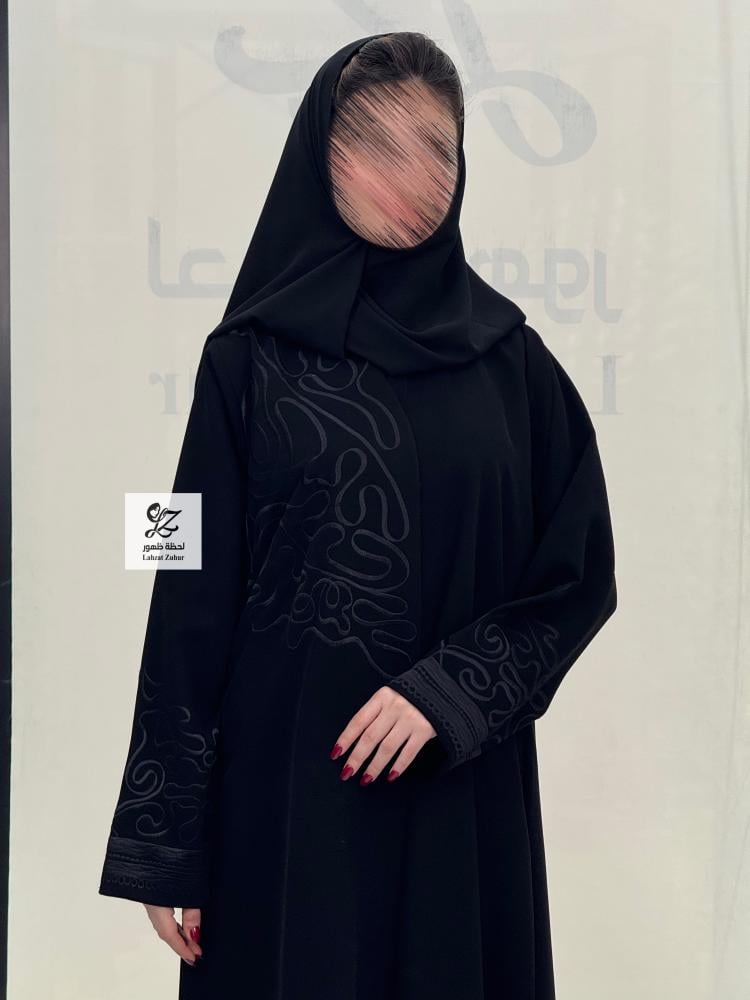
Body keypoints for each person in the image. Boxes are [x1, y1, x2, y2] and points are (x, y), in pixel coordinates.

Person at [98, 31, 618, 1000]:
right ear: (319, 157)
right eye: (374, 141)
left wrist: (449, 692)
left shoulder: (515, 365)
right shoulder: (243, 360)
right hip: (285, 806)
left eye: (436, 146)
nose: (409, 173)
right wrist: (165, 839)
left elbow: (579, 575)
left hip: (459, 802)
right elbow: (182, 578)